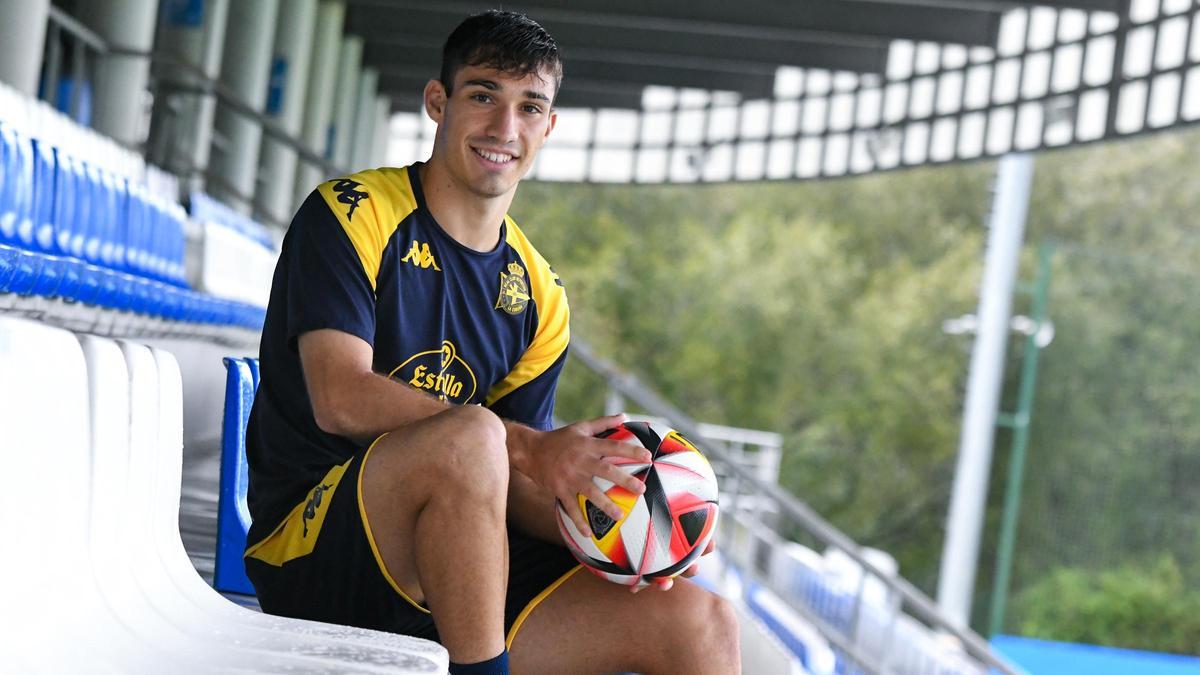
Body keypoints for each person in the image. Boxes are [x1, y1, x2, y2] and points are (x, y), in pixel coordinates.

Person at [243, 10, 739, 674]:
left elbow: (513, 488)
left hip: (456, 570)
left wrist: (626, 521)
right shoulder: (350, 213)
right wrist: (534, 447)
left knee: (702, 621)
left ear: (549, 126)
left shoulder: (540, 295)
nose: (506, 129)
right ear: (437, 102)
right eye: (483, 96)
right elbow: (339, 397)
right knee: (471, 435)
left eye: (529, 106)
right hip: (315, 555)